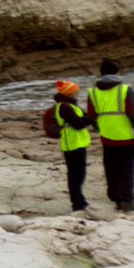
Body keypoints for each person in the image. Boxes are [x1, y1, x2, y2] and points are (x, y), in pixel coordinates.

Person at [86, 60, 134, 212]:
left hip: (107, 135)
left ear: (101, 74)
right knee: (127, 167)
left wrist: (99, 128)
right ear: (117, 73)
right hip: (127, 136)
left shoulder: (92, 92)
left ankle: (114, 195)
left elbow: (92, 116)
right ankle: (127, 201)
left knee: (111, 167)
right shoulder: (125, 90)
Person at [52, 80, 91, 212]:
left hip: (78, 143)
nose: (77, 93)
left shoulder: (71, 106)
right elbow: (79, 124)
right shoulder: (64, 106)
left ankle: (79, 200)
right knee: (76, 175)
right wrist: (87, 120)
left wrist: (85, 120)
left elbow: (84, 119)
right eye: (75, 91)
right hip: (71, 144)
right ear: (69, 93)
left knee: (79, 174)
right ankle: (78, 203)